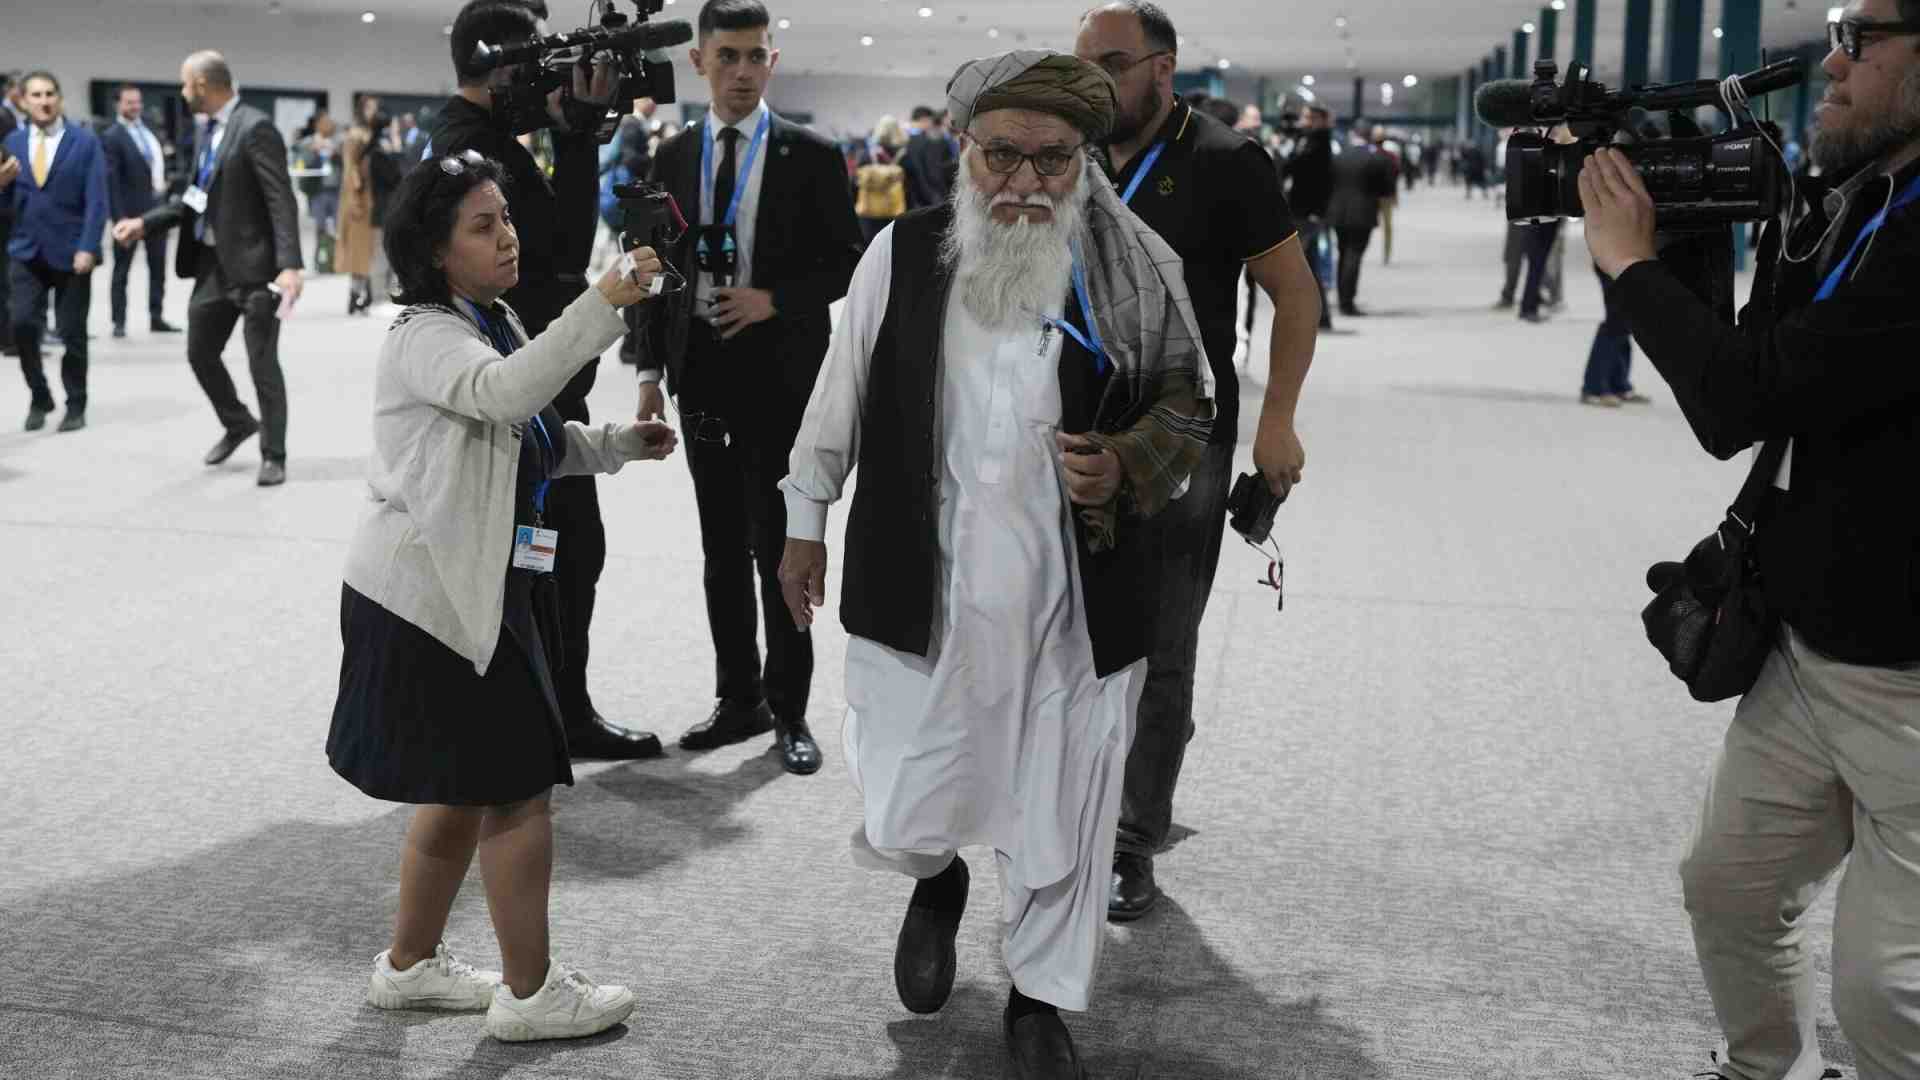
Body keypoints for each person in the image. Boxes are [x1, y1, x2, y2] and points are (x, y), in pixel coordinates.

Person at [779, 49, 1214, 1079]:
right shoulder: (900, 252)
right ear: (963, 151)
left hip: (1075, 595)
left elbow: (1188, 401)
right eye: (1001, 156)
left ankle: (1038, 997)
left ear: (1085, 160)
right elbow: (839, 394)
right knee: (904, 793)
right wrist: (804, 519)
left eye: (1053, 160)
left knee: (1065, 806)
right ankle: (935, 877)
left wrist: (1124, 462)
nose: (1024, 181)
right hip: (922, 577)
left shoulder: (1134, 265)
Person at [1580, 2, 1920, 1076]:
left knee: (1887, 991)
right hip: (1810, 638)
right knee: (1726, 888)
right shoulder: (1870, 197)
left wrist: (1630, 266)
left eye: (1860, 39)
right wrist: (1682, 219)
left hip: (1908, 676)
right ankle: (1762, 1067)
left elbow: (1743, 395)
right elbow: (1743, 376)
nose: (1832, 62)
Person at [328, 150, 676, 1044]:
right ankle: (530, 994)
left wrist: (616, 445)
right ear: (435, 251)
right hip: (434, 599)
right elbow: (504, 393)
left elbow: (528, 434)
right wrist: (603, 302)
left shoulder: (490, 316)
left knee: (458, 789)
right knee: (517, 788)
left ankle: (409, 967)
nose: (508, 237)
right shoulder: (425, 334)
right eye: (483, 226)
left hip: (467, 587)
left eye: (507, 218)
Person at [1072, 1, 1316, 921]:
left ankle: (1134, 837)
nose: (1094, 82)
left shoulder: (1224, 160)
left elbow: (1295, 296)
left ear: (1163, 69)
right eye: (1084, 64)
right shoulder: (1072, 154)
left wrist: (1279, 420)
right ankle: (1084, 794)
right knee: (1071, 624)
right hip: (1075, 424)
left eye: (1112, 64)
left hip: (1185, 436)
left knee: (1163, 641)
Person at [628, 0, 862, 775]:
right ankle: (738, 699)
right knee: (721, 546)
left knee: (779, 544)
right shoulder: (671, 156)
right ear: (698, 61)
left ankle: (789, 708)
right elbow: (650, 271)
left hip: (781, 377)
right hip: (701, 374)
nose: (741, 71)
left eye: (755, 56)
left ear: (773, 61)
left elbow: (847, 263)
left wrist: (775, 299)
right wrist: (649, 373)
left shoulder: (812, 155)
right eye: (726, 56)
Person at [425, 0, 657, 761]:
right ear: (494, 66)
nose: (546, 80)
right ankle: (545, 718)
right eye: (534, 63)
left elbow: (557, 249)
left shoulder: (479, 141)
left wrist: (574, 132)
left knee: (562, 554)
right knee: (551, 554)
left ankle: (557, 710)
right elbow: (558, 251)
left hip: (541, 378)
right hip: (522, 383)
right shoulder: (471, 153)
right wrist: (576, 134)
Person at [111, 51, 303, 487]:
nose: (182, 93)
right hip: (213, 268)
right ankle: (238, 422)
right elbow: (194, 198)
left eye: (185, 84)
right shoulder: (209, 131)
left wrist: (290, 265)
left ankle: (274, 454)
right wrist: (145, 224)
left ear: (202, 84)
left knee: (262, 364)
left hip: (257, 271)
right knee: (200, 352)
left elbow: (281, 198)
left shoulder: (255, 127)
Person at [1, 71, 108, 433]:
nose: (44, 101)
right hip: (25, 251)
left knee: (72, 332)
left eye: (50, 94)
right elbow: (5, 203)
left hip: (72, 252)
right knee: (21, 325)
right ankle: (39, 394)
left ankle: (76, 403)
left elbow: (97, 200)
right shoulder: (12, 142)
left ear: (60, 99)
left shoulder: (84, 142)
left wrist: (88, 247)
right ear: (23, 101)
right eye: (36, 95)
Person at [101, 85, 180, 340]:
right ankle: (119, 321)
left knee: (158, 267)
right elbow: (111, 181)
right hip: (129, 213)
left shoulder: (150, 131)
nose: (135, 107)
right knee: (121, 270)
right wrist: (119, 217)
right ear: (118, 105)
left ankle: (156, 316)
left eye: (138, 102)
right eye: (129, 102)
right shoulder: (112, 136)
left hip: (157, 210)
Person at [1326, 123, 1396, 317]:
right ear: (1369, 136)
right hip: (1363, 213)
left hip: (1338, 213)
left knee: (1342, 252)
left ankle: (1341, 297)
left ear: (1353, 135)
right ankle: (1347, 301)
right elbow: (1386, 189)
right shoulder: (1377, 159)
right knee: (1354, 254)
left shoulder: (1338, 156)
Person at [1283, 104, 1336, 331]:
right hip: (1306, 213)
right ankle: (1319, 314)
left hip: (1307, 214)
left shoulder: (1318, 143)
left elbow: (1295, 167)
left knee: (1302, 267)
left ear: (1318, 120)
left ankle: (1311, 314)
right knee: (1309, 266)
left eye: (1307, 117)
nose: (1302, 121)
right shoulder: (1310, 140)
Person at [338, 112, 381, 314]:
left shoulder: (354, 166)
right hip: (361, 211)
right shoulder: (357, 168)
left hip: (358, 210)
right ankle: (359, 296)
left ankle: (357, 295)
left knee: (359, 256)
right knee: (362, 255)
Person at [292, 110, 342, 274]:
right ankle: (319, 261)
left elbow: (345, 161)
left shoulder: (337, 141)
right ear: (318, 124)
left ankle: (335, 260)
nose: (329, 125)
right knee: (319, 227)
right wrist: (313, 150)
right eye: (325, 122)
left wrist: (336, 152)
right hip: (318, 191)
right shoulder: (308, 142)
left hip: (335, 190)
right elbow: (300, 161)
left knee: (336, 227)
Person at [852, 114, 909, 243]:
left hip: (870, 211)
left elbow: (855, 182)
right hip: (897, 210)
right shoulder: (905, 155)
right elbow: (911, 184)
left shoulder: (866, 154)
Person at [901, 104, 958, 208]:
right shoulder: (930, 141)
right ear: (925, 120)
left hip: (913, 197)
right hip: (932, 196)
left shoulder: (906, 140)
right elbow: (934, 172)